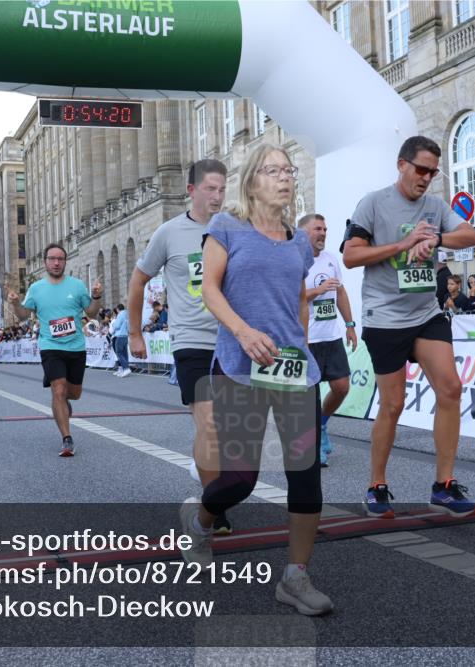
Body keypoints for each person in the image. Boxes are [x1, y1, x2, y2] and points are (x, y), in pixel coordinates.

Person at [183, 143, 331, 616]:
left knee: (304, 476)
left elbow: (297, 297)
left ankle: (295, 577)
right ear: (252, 180)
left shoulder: (299, 241)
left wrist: (302, 341)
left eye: (289, 170)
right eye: (274, 170)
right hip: (239, 365)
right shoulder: (226, 227)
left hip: (292, 369)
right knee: (241, 479)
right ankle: (202, 520)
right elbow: (209, 288)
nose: (285, 177)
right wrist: (244, 331)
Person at [343, 135, 475, 519]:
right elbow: (351, 256)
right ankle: (377, 484)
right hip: (385, 316)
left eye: (433, 172)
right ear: (401, 164)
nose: (426, 178)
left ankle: (444, 486)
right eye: (421, 169)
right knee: (393, 403)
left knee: (451, 387)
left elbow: (471, 235)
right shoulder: (373, 203)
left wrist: (435, 238)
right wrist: (403, 244)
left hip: (425, 312)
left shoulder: (435, 206)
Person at [129, 158, 233, 535]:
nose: (218, 196)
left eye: (222, 189)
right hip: (192, 340)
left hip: (233, 343)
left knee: (226, 431)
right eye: (210, 189)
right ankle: (213, 507)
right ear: (191, 191)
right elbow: (139, 281)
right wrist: (137, 333)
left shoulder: (235, 228)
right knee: (207, 424)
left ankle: (207, 470)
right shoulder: (169, 233)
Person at [8, 243, 102, 457]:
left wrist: (96, 297)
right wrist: (14, 304)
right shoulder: (36, 289)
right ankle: (67, 439)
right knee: (58, 389)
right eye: (52, 259)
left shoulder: (77, 286)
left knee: (73, 394)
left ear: (65, 262)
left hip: (76, 346)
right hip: (50, 346)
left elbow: (92, 313)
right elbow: (23, 315)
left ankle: (64, 402)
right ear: (45, 262)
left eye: (60, 259)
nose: (56, 262)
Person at [299, 213, 357, 468]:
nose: (323, 233)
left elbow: (341, 292)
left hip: (331, 337)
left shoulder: (331, 260)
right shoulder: (295, 261)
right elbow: (292, 296)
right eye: (317, 229)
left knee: (342, 387)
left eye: (325, 229)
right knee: (308, 397)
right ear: (303, 233)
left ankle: (321, 425)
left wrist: (350, 325)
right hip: (306, 339)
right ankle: (312, 446)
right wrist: (317, 291)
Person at [110, 303, 130, 377]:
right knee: (124, 353)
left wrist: (113, 324)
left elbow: (117, 326)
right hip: (125, 335)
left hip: (120, 335)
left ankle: (126, 368)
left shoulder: (120, 314)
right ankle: (125, 369)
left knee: (119, 353)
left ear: (118, 309)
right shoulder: (127, 314)